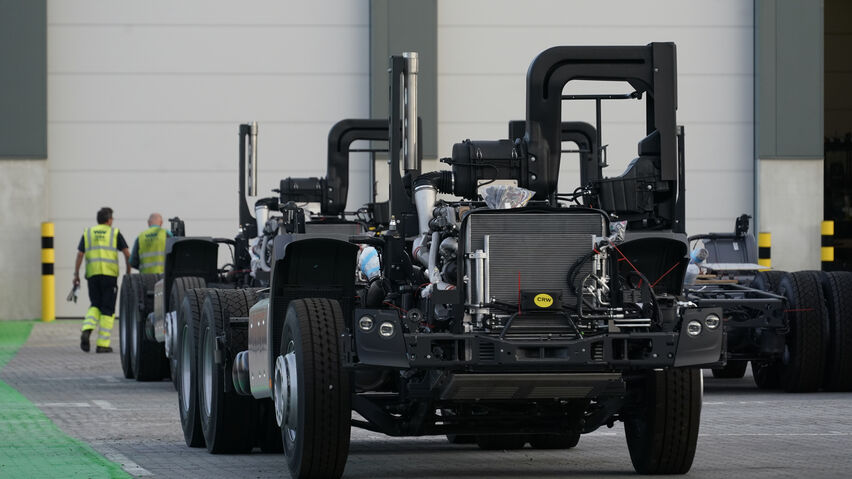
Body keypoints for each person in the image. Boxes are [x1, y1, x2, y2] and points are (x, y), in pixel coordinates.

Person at [73, 207, 131, 353]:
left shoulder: (88, 233)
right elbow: (127, 254)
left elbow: (80, 255)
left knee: (95, 304)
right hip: (109, 276)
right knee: (108, 309)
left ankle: (87, 329)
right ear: (109, 220)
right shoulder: (114, 233)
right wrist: (128, 272)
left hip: (93, 275)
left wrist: (76, 275)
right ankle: (102, 344)